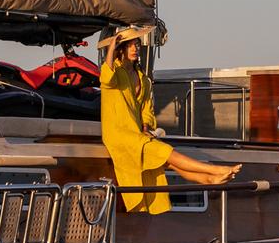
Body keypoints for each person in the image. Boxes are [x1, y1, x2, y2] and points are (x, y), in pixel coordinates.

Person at [97, 26, 240, 213]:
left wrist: (146, 127)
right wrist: (111, 47)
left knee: (165, 161)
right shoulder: (114, 72)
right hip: (118, 134)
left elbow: (146, 110)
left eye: (137, 44)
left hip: (137, 134)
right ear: (120, 49)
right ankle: (213, 171)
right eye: (129, 45)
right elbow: (105, 80)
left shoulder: (143, 79)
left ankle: (208, 180)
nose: (135, 48)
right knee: (165, 152)